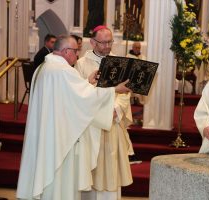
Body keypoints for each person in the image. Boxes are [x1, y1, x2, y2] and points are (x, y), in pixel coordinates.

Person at [16, 35, 131, 200]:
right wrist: (114, 89)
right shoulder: (63, 71)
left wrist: (86, 82)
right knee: (60, 186)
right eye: (76, 51)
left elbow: (68, 96)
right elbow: (82, 99)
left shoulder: (45, 67)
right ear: (65, 51)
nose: (77, 55)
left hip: (48, 134)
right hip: (61, 141)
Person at [75, 26, 136, 200]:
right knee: (91, 170)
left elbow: (125, 92)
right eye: (103, 42)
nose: (108, 46)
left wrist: (116, 109)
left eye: (110, 42)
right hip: (91, 125)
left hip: (112, 123)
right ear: (93, 42)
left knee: (111, 168)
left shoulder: (120, 63)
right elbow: (79, 93)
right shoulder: (81, 64)